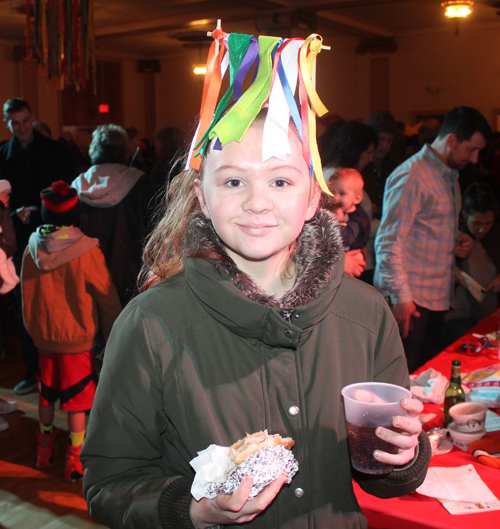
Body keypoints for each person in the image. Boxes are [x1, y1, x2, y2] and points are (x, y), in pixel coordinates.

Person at [81, 31, 430, 529]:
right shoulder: (152, 325)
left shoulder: (367, 313)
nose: (258, 202)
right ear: (202, 197)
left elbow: (380, 472)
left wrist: (402, 456)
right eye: (233, 181)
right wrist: (193, 510)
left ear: (312, 198)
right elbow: (109, 484)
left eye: (281, 181)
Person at [375, 106, 492, 373]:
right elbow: (388, 241)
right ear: (452, 140)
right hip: (412, 300)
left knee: (425, 377)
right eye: (471, 150)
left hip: (436, 297)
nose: (474, 159)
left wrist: (457, 240)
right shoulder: (412, 175)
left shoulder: (449, 176)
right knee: (405, 378)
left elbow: (426, 229)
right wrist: (401, 298)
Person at [21, 180, 121, 482]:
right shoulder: (87, 250)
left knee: (47, 394)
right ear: (76, 215)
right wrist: (113, 333)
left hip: (44, 339)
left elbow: (25, 295)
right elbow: (107, 297)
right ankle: (74, 461)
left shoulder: (32, 246)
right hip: (77, 341)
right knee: (78, 402)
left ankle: (44, 449)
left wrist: (34, 330)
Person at [0, 98, 79, 394]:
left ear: (31, 117)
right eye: (14, 122)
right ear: (8, 122)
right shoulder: (3, 154)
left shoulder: (55, 151)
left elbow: (72, 195)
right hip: (20, 242)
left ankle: (64, 373)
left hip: (54, 240)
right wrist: (13, 214)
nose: (21, 127)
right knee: (27, 312)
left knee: (58, 306)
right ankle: (36, 371)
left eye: (24, 120)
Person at [72, 124, 156, 307]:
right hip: (128, 269)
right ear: (124, 149)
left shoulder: (79, 185)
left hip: (87, 267)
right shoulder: (139, 182)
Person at [440, 183, 499, 348]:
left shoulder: (494, 237)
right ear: (465, 215)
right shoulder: (453, 236)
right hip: (455, 317)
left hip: (488, 314)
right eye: (477, 223)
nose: (482, 229)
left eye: (488, 223)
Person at [361, 111, 399, 220]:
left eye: (389, 140)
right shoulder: (360, 166)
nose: (385, 145)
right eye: (381, 139)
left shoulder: (394, 166)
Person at [322, 168, 370, 252]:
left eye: (342, 193)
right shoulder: (333, 209)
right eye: (332, 192)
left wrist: (337, 222)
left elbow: (345, 240)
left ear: (357, 198)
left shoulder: (359, 219)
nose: (335, 197)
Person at [0, 180, 19, 294]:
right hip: (9, 242)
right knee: (8, 262)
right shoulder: (5, 209)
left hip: (4, 243)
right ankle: (13, 278)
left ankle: (8, 281)